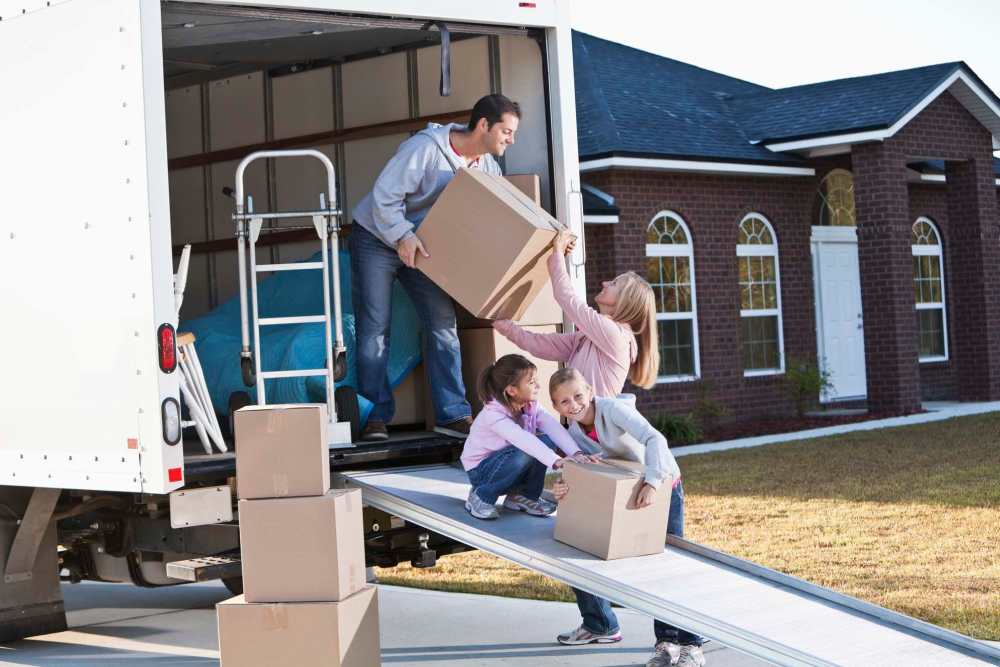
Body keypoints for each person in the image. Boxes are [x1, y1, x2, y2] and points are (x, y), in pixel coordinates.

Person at [350, 94, 521, 441]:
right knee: (374, 330)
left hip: (423, 246)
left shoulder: (488, 168)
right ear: (483, 125)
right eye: (506, 130)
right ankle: (373, 418)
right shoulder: (425, 149)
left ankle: (453, 415)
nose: (511, 139)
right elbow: (384, 197)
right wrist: (401, 236)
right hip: (376, 237)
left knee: (443, 325)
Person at [548, 368, 705, 667]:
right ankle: (666, 643)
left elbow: (654, 438)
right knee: (648, 573)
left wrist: (652, 482)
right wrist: (563, 485)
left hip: (662, 486)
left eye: (578, 396)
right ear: (556, 407)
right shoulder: (574, 432)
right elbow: (580, 468)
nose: (574, 405)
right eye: (564, 402)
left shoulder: (613, 410)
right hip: (629, 493)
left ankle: (691, 645)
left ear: (590, 391)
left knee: (668, 568)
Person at [492, 230, 659, 400]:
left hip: (597, 427)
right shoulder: (585, 340)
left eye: (614, 283)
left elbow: (566, 297)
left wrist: (557, 251)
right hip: (579, 426)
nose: (605, 283)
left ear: (624, 301)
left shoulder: (615, 336)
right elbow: (539, 344)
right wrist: (500, 322)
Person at [459, 354, 592, 520]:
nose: (538, 385)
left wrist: (576, 453)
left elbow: (553, 427)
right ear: (512, 390)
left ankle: (524, 496)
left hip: (510, 462)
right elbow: (523, 440)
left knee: (547, 440)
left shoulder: (530, 405)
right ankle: (481, 496)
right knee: (528, 449)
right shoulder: (493, 414)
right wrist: (556, 461)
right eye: (531, 382)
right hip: (482, 472)